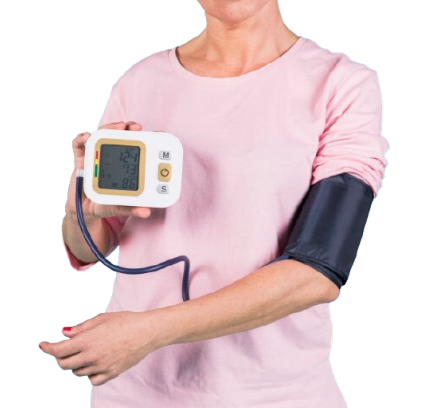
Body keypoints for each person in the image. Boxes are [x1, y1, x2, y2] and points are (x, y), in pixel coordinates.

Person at [40, 0, 390, 407]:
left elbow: (318, 270)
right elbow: (89, 249)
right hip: (133, 390)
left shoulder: (341, 83)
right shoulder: (142, 79)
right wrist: (80, 209)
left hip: (274, 394)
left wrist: (148, 331)